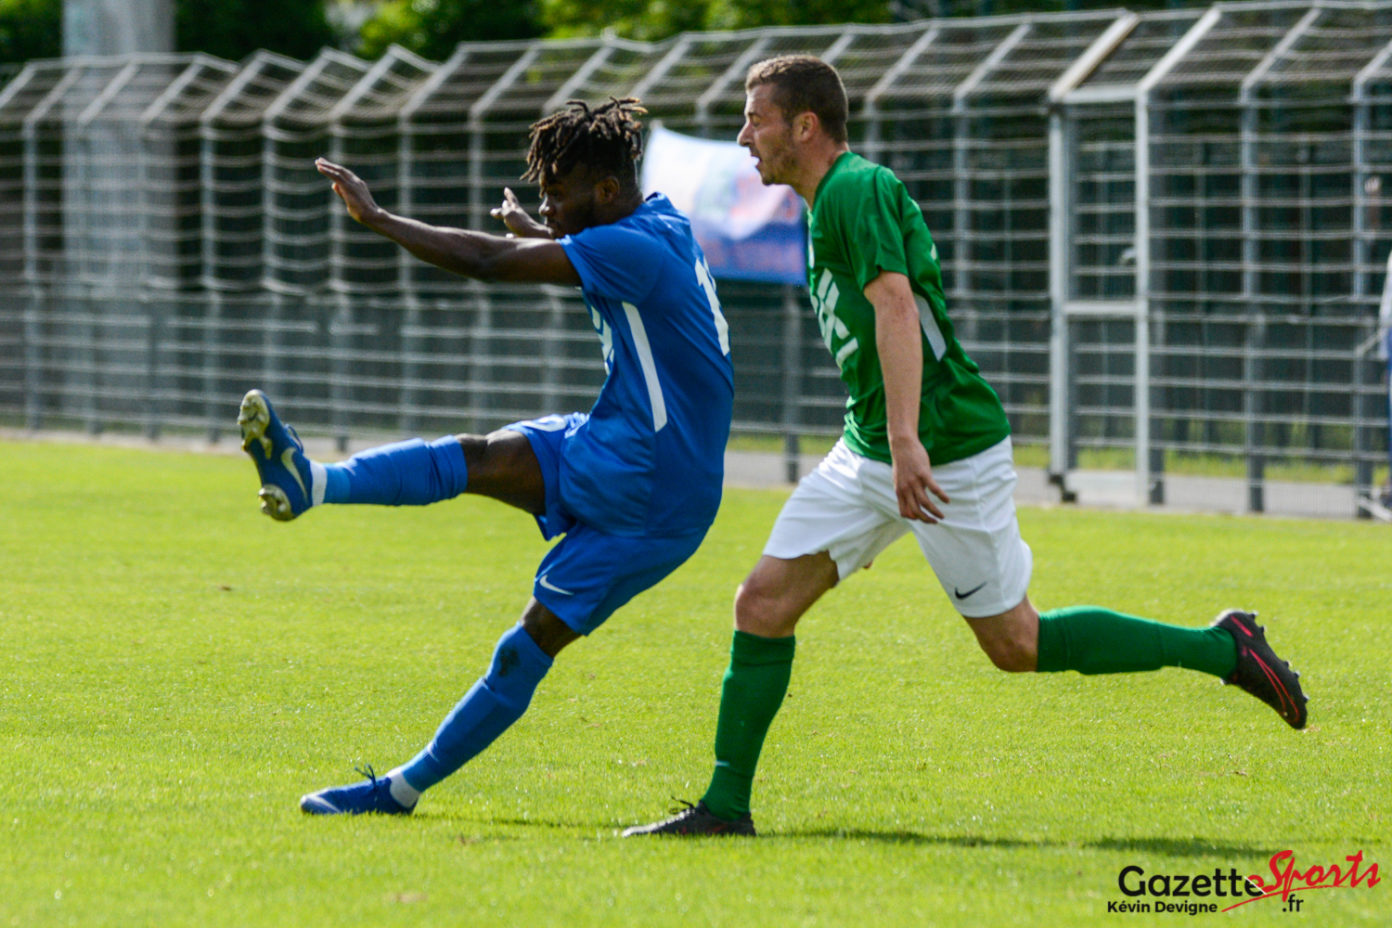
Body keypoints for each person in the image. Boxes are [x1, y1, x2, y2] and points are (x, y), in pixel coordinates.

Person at [623, 56, 1307, 839]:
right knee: (762, 602)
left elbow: (896, 306)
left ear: (804, 126)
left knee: (1018, 643)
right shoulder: (820, 206)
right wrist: (883, 461)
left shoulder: (856, 188)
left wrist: (909, 443)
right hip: (872, 449)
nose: (745, 136)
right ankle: (725, 807)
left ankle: (1224, 649)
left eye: (756, 119)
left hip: (941, 450)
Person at [238, 98, 734, 815]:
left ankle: (401, 791)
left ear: (603, 191)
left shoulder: (629, 246)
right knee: (482, 456)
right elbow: (593, 264)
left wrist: (379, 219)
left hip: (654, 490)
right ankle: (312, 483)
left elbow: (488, 260)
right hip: (627, 443)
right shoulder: (656, 220)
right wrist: (546, 231)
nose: (547, 206)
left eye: (558, 195)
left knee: (525, 645)